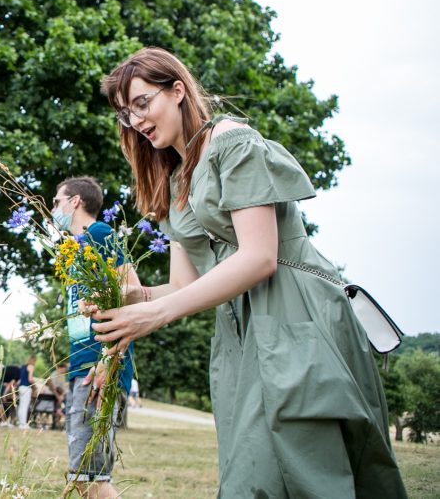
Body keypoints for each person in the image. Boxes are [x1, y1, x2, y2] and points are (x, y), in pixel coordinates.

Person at [93, 46, 406, 497]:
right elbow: (185, 286)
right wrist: (128, 300)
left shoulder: (230, 141)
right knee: (251, 473)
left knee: (308, 472)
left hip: (296, 316)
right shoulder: (177, 180)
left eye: (143, 103)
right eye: (127, 114)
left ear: (177, 90)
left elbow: (259, 256)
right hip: (241, 337)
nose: (137, 121)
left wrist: (156, 316)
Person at [52, 176, 134, 498]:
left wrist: (107, 358)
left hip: (100, 365)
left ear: (76, 202)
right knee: (85, 476)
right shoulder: (71, 249)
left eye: (57, 201)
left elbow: (133, 290)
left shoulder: (98, 234)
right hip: (81, 364)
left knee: (91, 478)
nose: (52, 208)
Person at [16, 355, 36, 428]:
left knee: (21, 406)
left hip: (21, 387)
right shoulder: (31, 367)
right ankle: (23, 424)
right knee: (25, 406)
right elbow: (30, 379)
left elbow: (19, 380)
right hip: (27, 387)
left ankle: (21, 423)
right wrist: (35, 385)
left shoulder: (23, 367)